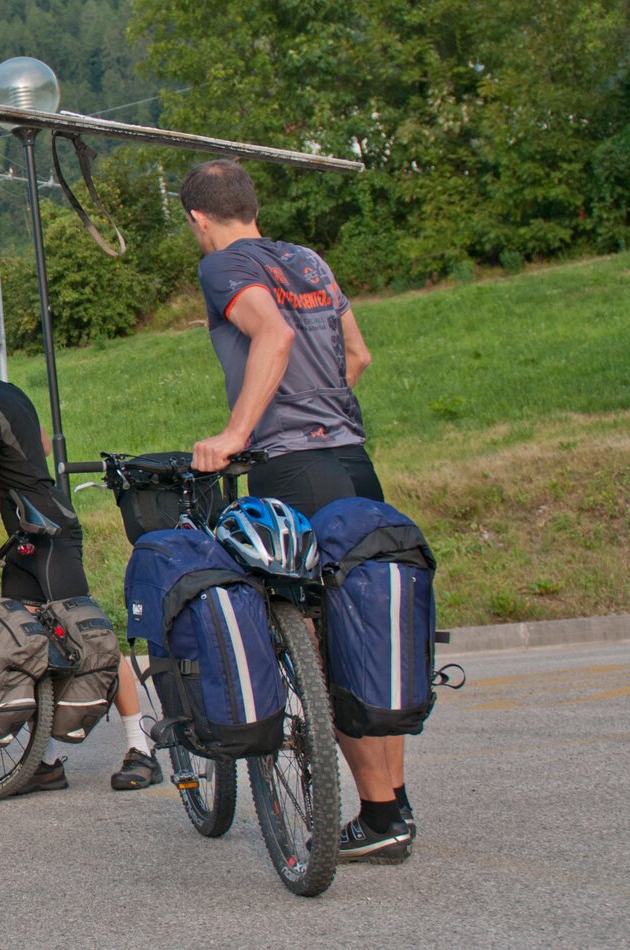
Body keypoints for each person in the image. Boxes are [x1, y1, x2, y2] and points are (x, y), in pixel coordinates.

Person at [178, 158, 411, 863]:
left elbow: (271, 337)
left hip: (293, 467)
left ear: (197, 219)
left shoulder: (223, 268)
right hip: (351, 458)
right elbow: (358, 354)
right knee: (363, 621)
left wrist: (238, 434)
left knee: (318, 639)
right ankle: (387, 809)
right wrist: (322, 410)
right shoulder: (309, 260)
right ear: (251, 204)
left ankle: (379, 810)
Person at [0, 329, 160, 793]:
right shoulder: (7, 395)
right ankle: (45, 763)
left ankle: (141, 749)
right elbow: (42, 448)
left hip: (50, 537)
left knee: (91, 636)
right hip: (27, 542)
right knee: (27, 647)